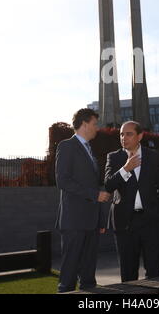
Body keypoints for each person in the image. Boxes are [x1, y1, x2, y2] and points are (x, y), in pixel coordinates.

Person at [104, 121, 159, 282]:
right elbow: (109, 185)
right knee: (128, 273)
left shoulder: (153, 156)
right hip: (125, 222)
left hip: (151, 220)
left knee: (155, 272)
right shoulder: (114, 157)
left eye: (128, 134)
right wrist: (125, 168)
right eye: (121, 134)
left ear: (140, 136)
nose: (123, 137)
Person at [55, 108, 110, 292]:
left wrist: (100, 220)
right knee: (68, 277)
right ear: (85, 124)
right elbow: (62, 180)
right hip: (74, 221)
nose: (97, 128)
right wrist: (94, 195)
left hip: (91, 222)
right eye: (95, 124)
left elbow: (95, 186)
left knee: (88, 278)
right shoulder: (66, 146)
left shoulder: (90, 151)